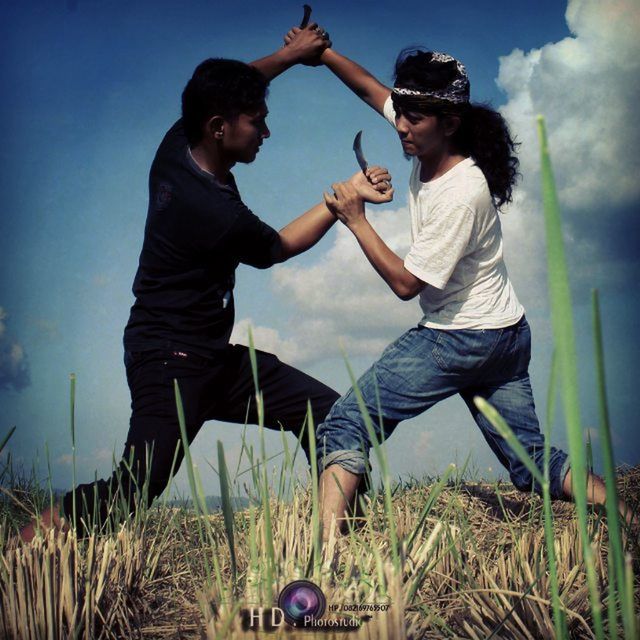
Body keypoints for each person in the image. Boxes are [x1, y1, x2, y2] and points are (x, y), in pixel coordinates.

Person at [19, 26, 393, 542]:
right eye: (257, 123)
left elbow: (229, 86)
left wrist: (289, 55)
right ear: (219, 128)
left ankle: (340, 539)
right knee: (133, 490)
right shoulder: (214, 211)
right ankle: (23, 549)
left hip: (213, 359)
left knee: (328, 413)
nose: (266, 133)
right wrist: (345, 197)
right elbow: (279, 248)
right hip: (170, 360)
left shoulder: (178, 143)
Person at [282, 30, 635, 538]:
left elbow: (407, 285)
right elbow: (369, 89)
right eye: (399, 112)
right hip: (506, 334)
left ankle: (322, 554)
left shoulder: (462, 192)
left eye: (412, 118)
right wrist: (324, 54)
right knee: (530, 462)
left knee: (345, 422)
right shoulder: (426, 126)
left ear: (449, 123)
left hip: (460, 338)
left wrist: (355, 218)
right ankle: (627, 515)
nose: (400, 126)